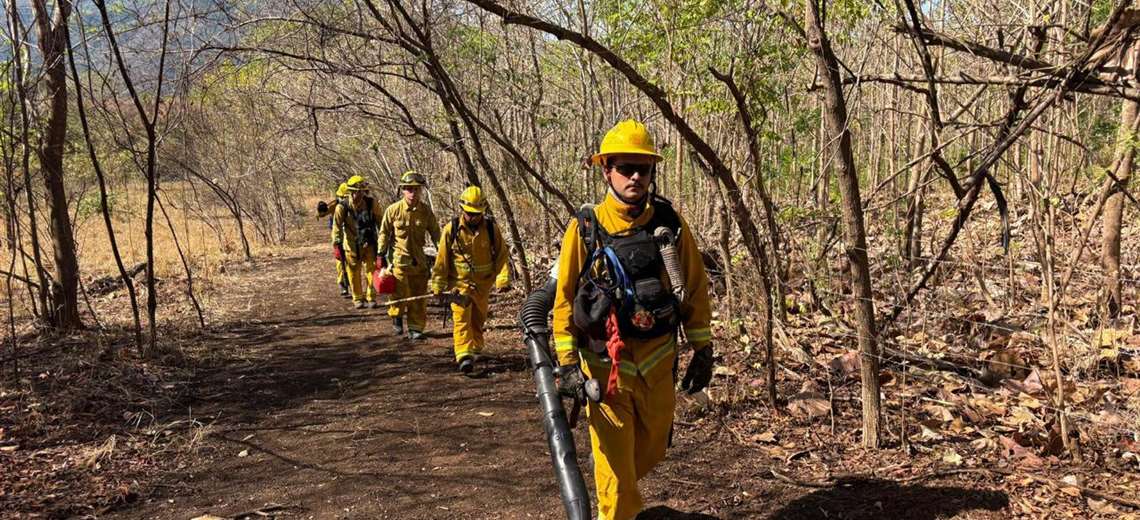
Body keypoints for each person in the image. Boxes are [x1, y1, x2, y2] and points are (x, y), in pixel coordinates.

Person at [551, 120, 714, 520]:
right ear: (606, 169)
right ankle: (616, 497)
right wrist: (568, 364)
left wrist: (703, 349)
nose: (636, 176)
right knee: (618, 481)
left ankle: (618, 486)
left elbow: (692, 285)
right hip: (607, 375)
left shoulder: (669, 224)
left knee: (653, 449)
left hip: (658, 367)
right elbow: (563, 299)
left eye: (644, 168)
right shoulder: (586, 227)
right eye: (626, 167)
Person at [430, 186, 510, 373]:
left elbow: (502, 255)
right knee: (461, 320)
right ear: (462, 210)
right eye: (469, 213)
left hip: (483, 286)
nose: (473, 217)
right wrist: (438, 284)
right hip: (459, 286)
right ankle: (464, 355)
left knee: (477, 320)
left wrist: (502, 279)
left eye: (476, 214)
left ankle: (474, 349)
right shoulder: (452, 229)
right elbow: (442, 259)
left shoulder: (491, 229)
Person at [378, 171, 440, 339]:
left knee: (418, 296)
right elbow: (384, 232)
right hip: (399, 261)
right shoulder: (393, 210)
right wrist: (381, 254)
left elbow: (436, 233)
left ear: (420, 191)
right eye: (409, 189)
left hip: (419, 262)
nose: (412, 193)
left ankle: (415, 328)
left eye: (416, 189)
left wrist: (442, 254)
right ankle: (396, 317)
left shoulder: (426, 212)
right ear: (403, 190)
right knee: (399, 293)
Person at [332, 175, 384, 309]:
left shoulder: (372, 203)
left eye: (361, 191)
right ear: (351, 192)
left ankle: (371, 297)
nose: (359, 194)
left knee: (371, 270)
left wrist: (384, 242)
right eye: (356, 191)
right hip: (351, 245)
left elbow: (381, 223)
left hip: (369, 242)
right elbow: (336, 227)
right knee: (353, 272)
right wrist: (336, 244)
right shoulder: (342, 207)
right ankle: (357, 298)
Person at [321, 182, 351, 298]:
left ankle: (353, 285)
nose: (344, 200)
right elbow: (322, 213)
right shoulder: (335, 205)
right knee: (340, 261)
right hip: (338, 237)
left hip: (352, 236)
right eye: (342, 197)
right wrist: (321, 208)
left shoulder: (356, 204)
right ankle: (343, 284)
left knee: (352, 261)